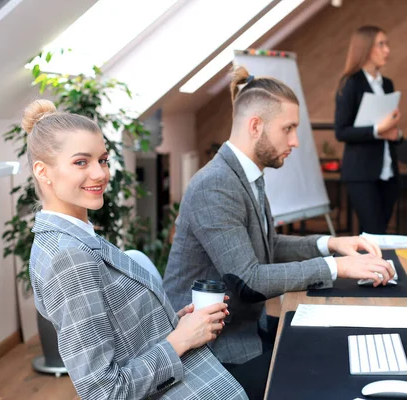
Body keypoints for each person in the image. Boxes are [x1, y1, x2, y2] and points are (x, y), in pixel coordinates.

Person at [163, 66, 395, 399]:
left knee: (332, 344)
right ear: (255, 126)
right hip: (215, 351)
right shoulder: (216, 185)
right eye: (288, 129)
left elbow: (268, 244)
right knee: (325, 379)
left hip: (245, 330)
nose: (295, 141)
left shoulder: (245, 175)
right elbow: (250, 280)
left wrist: (330, 243)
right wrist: (336, 267)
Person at [25, 100, 248, 400]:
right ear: (43, 171)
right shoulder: (68, 257)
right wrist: (179, 341)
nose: (100, 174)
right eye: (81, 162)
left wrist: (179, 323)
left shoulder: (75, 236)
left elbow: (120, 332)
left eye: (102, 160)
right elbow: (105, 392)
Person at [334, 25, 402, 234]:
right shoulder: (350, 84)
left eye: (387, 44)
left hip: (388, 171)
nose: (387, 50)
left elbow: (390, 129)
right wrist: (377, 129)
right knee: (376, 234)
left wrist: (396, 134)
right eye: (381, 44)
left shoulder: (387, 84)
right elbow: (341, 131)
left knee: (375, 234)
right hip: (361, 173)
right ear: (365, 48)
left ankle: (370, 267)